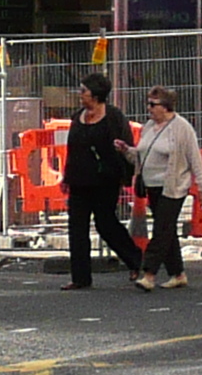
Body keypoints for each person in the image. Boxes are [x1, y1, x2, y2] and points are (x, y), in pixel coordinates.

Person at [60, 70, 144, 291]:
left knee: (105, 223)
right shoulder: (77, 117)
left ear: (96, 95)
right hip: (79, 180)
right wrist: (66, 177)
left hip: (105, 181)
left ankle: (136, 261)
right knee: (76, 228)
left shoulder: (114, 117)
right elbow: (72, 148)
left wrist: (125, 175)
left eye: (84, 91)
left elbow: (125, 146)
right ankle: (80, 277)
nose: (80, 94)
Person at [132, 87, 202, 291]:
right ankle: (177, 273)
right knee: (167, 229)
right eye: (148, 103)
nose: (149, 108)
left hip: (173, 187)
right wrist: (127, 151)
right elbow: (143, 155)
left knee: (161, 229)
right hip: (152, 186)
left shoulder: (182, 128)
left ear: (166, 107)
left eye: (153, 104)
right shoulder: (148, 127)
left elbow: (194, 158)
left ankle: (149, 274)